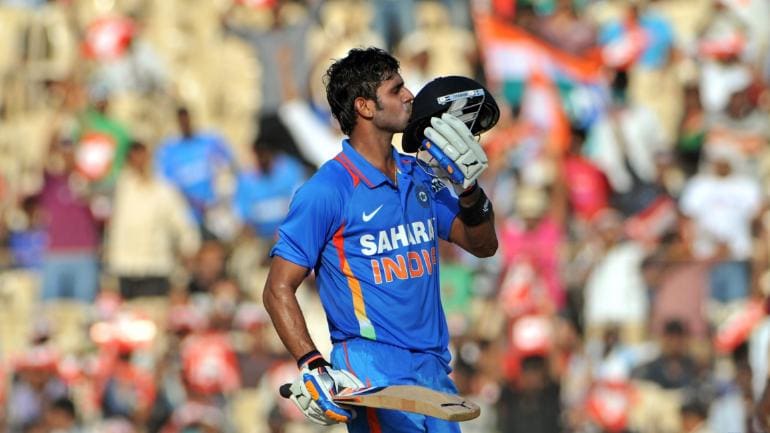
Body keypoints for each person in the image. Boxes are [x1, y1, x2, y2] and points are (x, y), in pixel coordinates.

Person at [262, 47, 498, 432]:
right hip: (373, 372)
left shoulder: (418, 175)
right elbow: (277, 289)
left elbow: (484, 245)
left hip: (433, 367)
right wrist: (312, 362)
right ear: (365, 107)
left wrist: (469, 190)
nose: (410, 97)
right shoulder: (327, 191)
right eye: (396, 89)